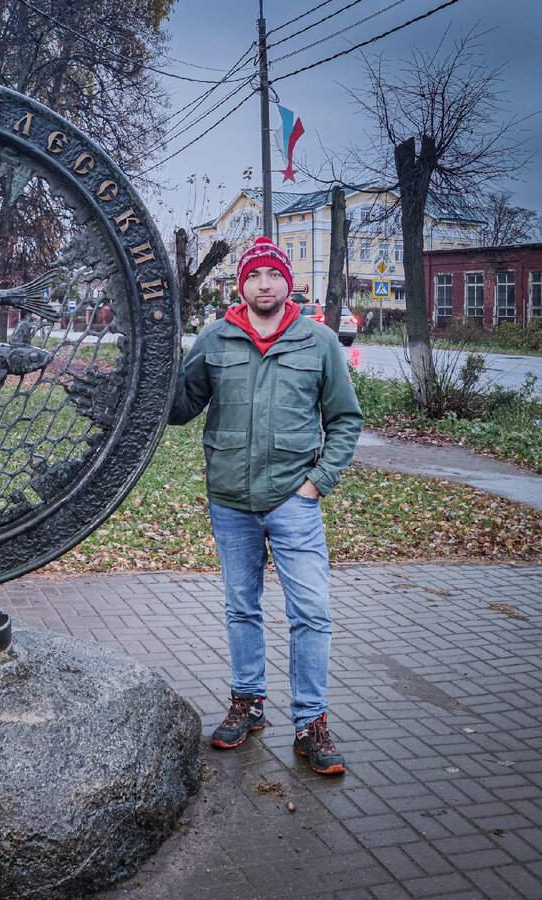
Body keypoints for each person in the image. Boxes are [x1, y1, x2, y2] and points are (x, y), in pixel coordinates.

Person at [169, 236, 362, 776]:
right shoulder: (215, 339)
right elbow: (180, 409)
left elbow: (345, 418)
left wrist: (318, 482)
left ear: (287, 282)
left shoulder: (318, 341)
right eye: (254, 276)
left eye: (272, 275)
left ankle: (309, 724)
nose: (264, 284)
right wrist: (157, 367)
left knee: (312, 613)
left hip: (293, 500)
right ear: (242, 284)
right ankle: (249, 704)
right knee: (241, 606)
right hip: (231, 499)